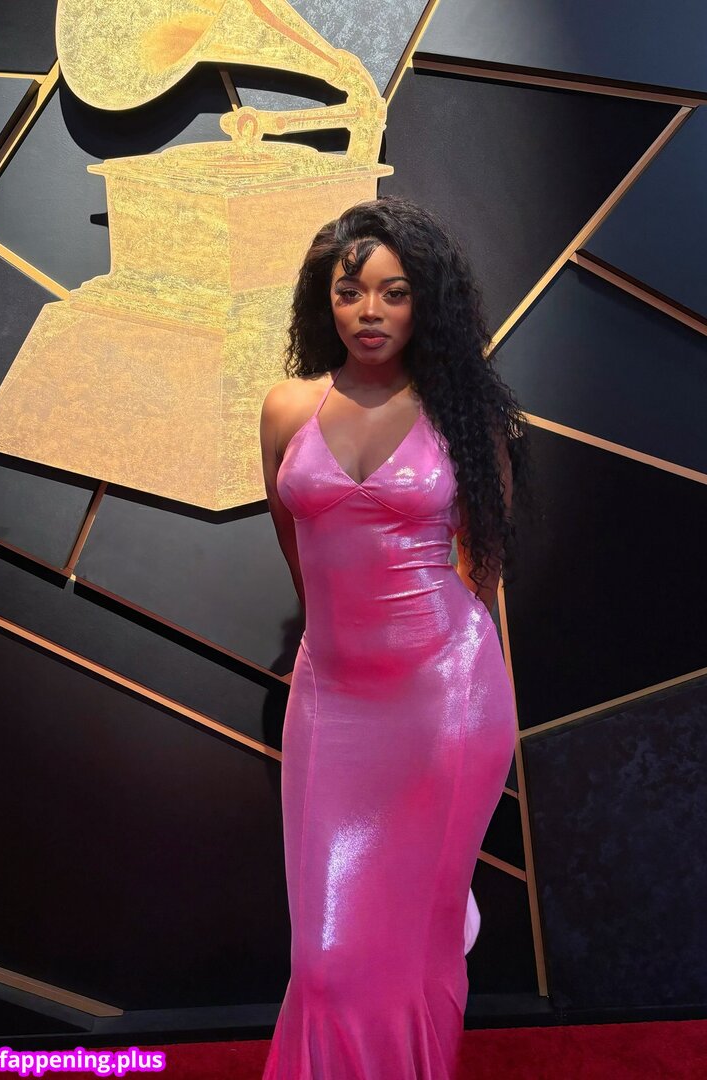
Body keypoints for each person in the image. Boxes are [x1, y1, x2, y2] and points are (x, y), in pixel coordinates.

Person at [259, 194, 531, 1079]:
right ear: (325, 302)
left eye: (394, 292)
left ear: (425, 303)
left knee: (418, 945)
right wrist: (343, 651)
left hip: (444, 707)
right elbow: (301, 557)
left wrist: (428, 660)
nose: (369, 311)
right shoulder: (286, 409)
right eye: (350, 292)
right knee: (323, 961)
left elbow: (482, 569)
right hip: (331, 706)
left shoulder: (464, 417)